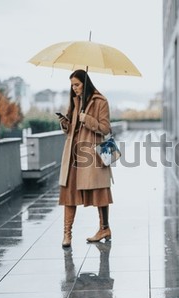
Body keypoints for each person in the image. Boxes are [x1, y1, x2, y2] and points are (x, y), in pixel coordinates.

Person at [58, 69, 113, 248]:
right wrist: (66, 123)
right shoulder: (74, 102)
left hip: (91, 155)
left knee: (100, 192)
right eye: (72, 85)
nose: (74, 88)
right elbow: (71, 129)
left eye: (77, 84)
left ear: (85, 83)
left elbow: (105, 129)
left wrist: (86, 118)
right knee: (68, 193)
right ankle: (67, 234)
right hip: (73, 154)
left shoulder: (101, 101)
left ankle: (104, 228)